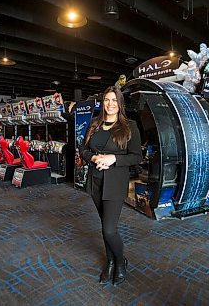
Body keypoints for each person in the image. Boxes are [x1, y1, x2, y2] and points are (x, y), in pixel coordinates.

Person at [79, 86, 142, 286]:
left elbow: (136, 157)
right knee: (104, 225)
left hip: (115, 183)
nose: (110, 104)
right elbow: (82, 148)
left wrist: (113, 158)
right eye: (107, 100)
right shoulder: (95, 124)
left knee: (109, 230)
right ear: (102, 102)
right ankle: (110, 262)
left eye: (114, 100)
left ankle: (121, 262)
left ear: (120, 103)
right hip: (96, 181)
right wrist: (94, 157)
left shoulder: (129, 125)